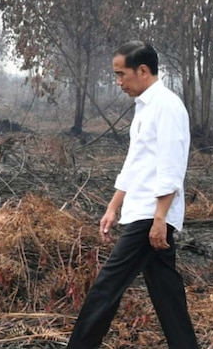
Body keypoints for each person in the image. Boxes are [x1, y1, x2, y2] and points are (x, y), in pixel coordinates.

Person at [65, 41, 198, 349]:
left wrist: (160, 218)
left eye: (121, 74)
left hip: (150, 215)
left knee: (106, 287)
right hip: (141, 211)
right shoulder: (145, 108)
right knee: (167, 294)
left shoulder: (167, 106)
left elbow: (171, 166)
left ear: (142, 70)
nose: (118, 82)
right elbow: (135, 163)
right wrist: (113, 207)